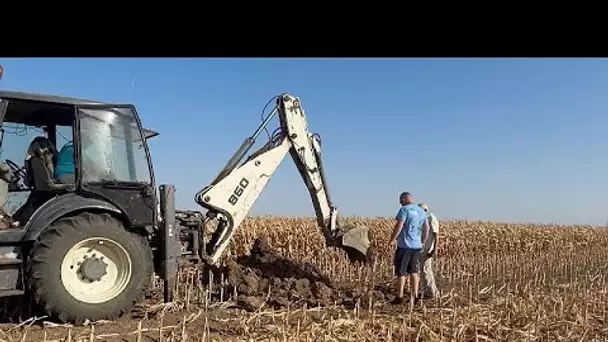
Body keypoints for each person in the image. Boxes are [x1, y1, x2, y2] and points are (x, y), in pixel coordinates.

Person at [390, 191, 430, 304]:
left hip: (404, 245)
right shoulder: (421, 211)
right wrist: (422, 241)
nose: (400, 203)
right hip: (416, 246)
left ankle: (400, 296)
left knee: (401, 272)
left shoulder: (404, 210)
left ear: (403, 199)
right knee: (413, 271)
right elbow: (426, 227)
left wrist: (392, 240)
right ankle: (415, 296)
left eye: (400, 200)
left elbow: (399, 226)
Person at [418, 203, 439, 299]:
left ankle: (432, 292)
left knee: (426, 270)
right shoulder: (422, 219)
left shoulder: (431, 218)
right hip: (422, 248)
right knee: (423, 270)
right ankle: (428, 291)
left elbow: (436, 235)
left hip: (427, 249)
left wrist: (434, 249)